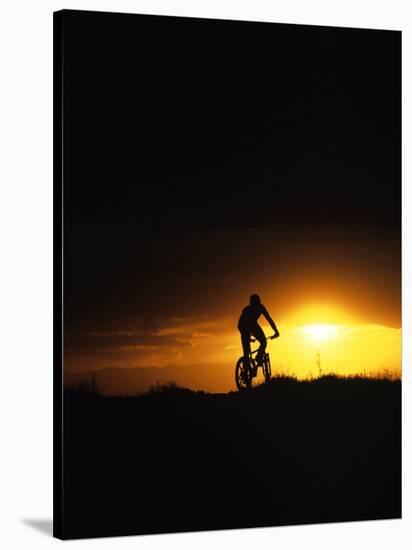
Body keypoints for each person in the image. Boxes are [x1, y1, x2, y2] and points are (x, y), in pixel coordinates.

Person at [237, 294, 279, 372]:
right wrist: (247, 336)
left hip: (252, 325)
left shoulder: (260, 307)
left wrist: (276, 331)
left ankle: (258, 357)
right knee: (247, 352)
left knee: (263, 342)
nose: (255, 306)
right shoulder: (248, 310)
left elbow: (269, 319)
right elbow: (240, 325)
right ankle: (247, 368)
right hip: (244, 327)